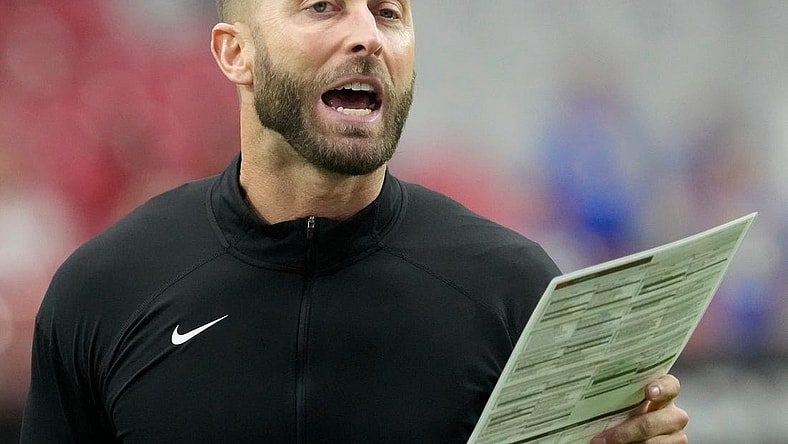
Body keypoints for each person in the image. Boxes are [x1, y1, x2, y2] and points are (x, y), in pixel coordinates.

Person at [20, 0, 689, 442]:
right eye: (324, 7)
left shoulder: (512, 288)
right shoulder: (103, 289)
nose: (368, 34)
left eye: (389, 13)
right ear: (234, 54)